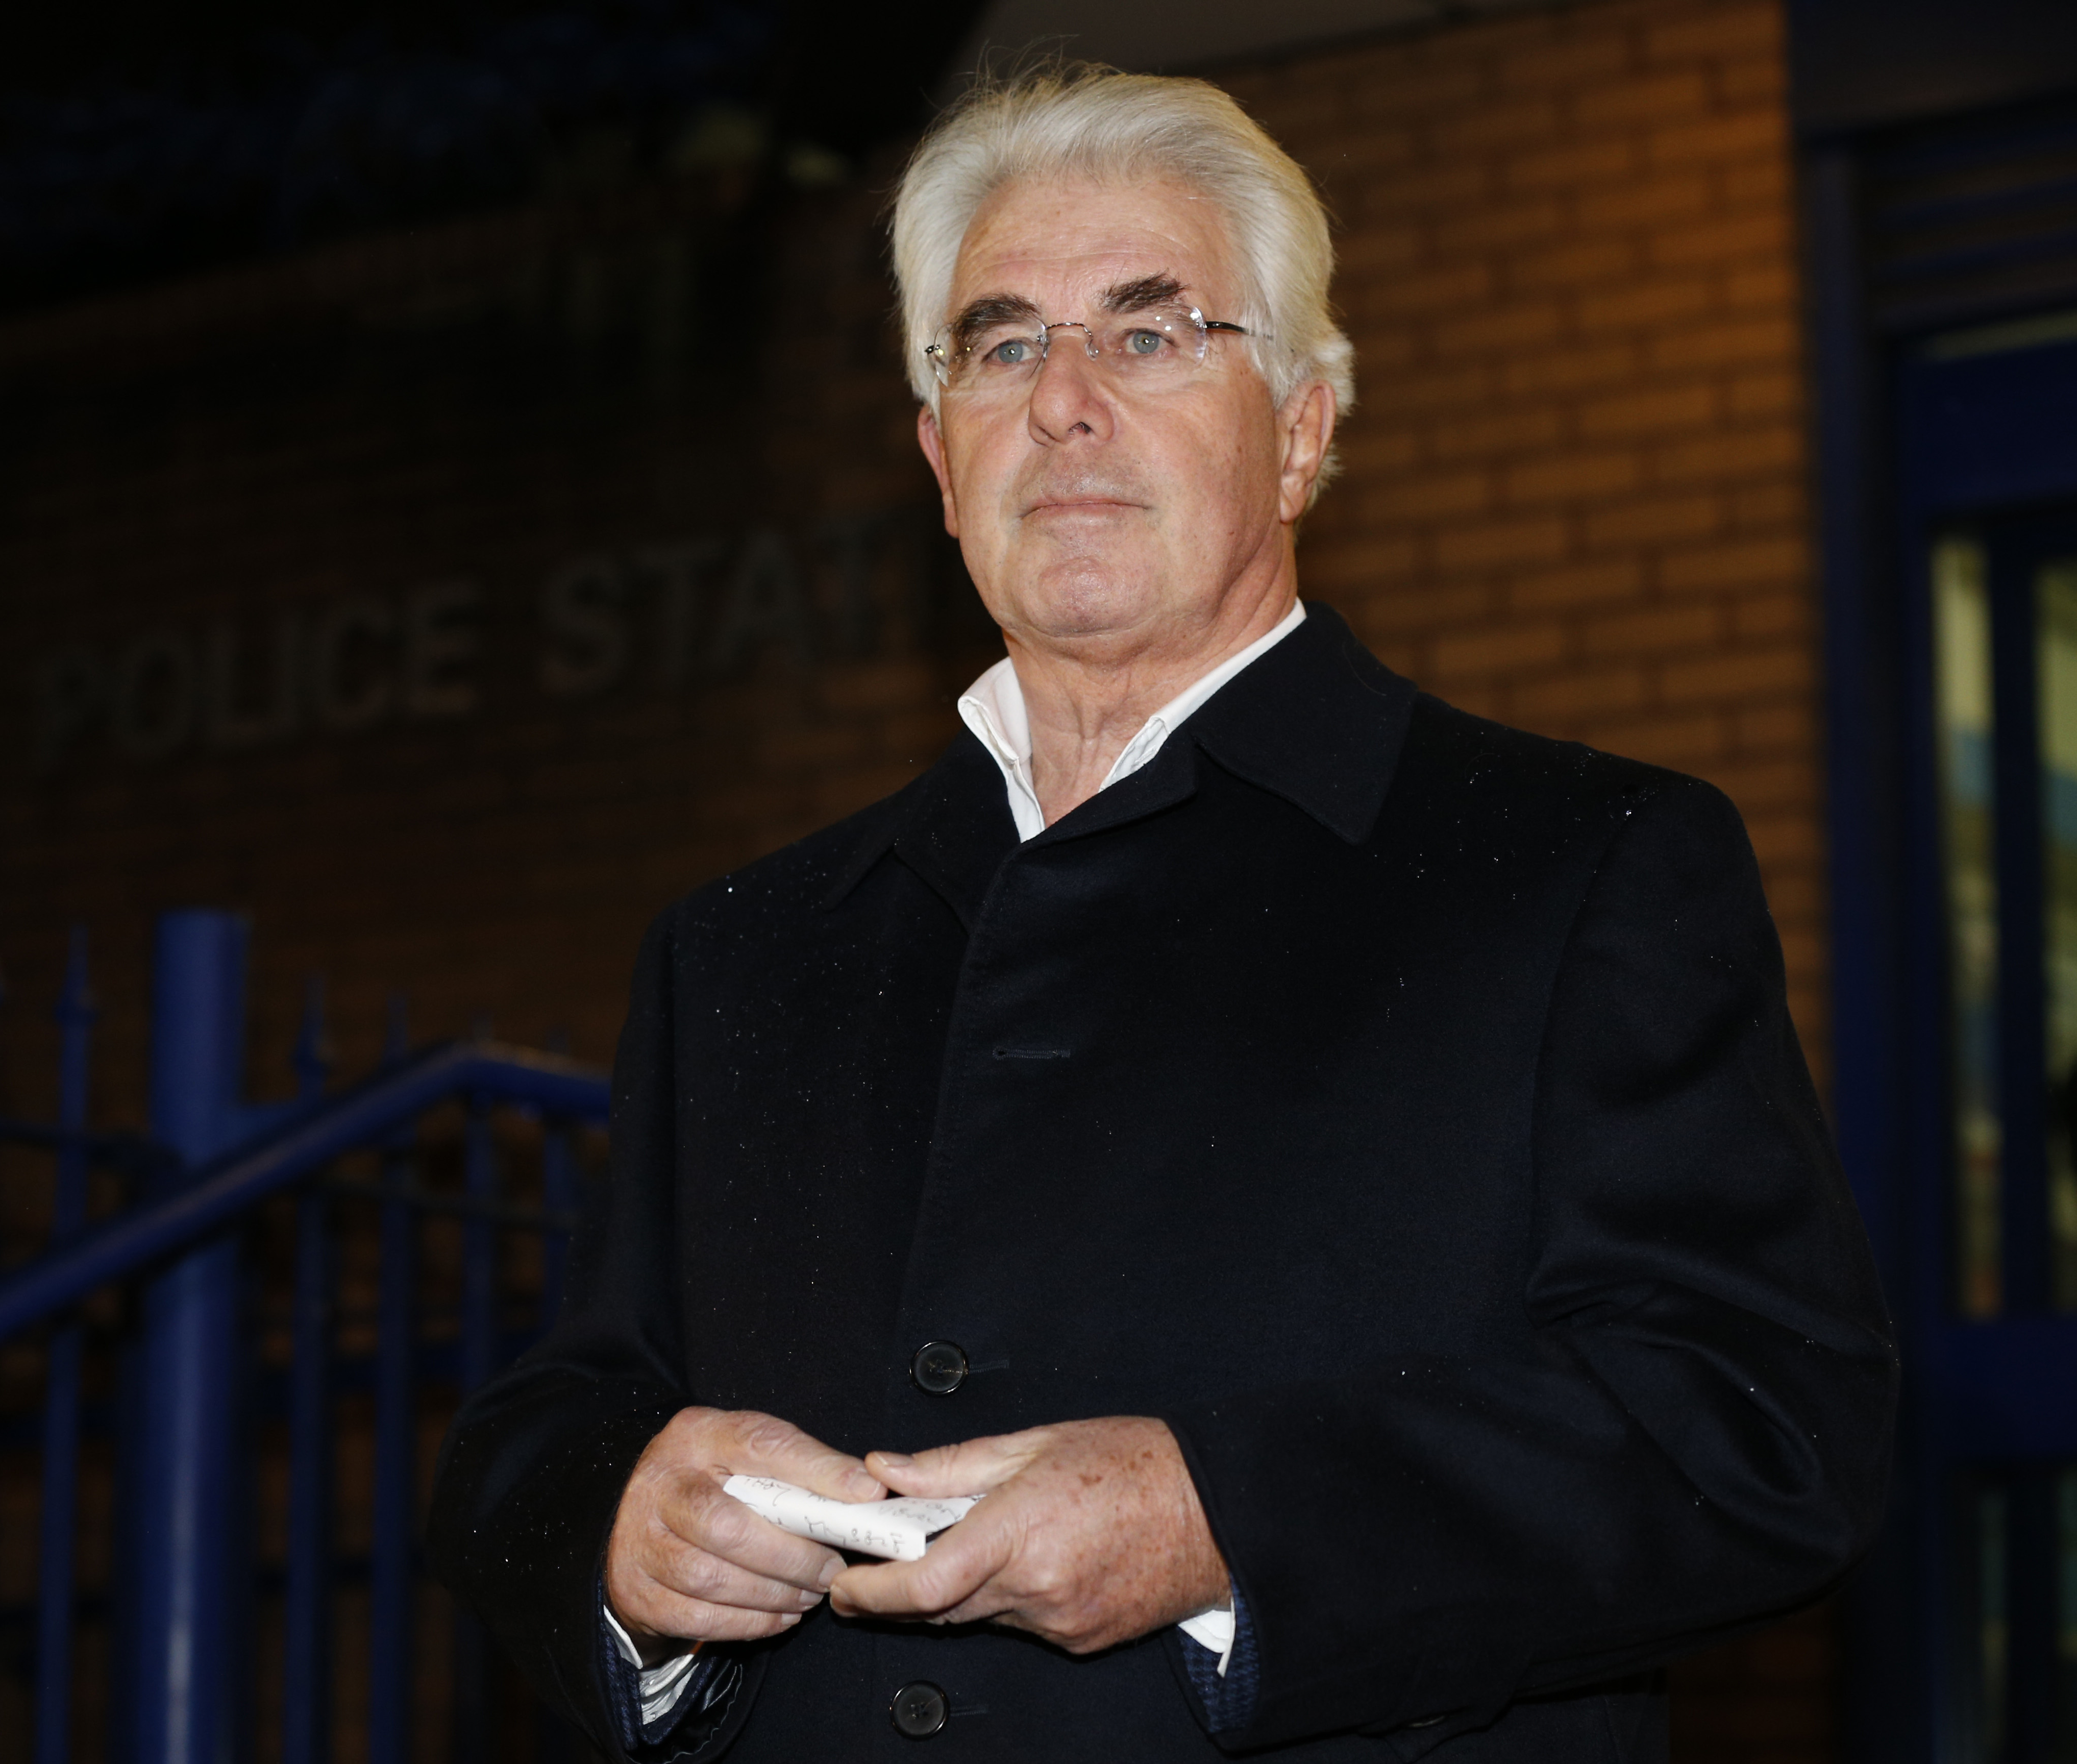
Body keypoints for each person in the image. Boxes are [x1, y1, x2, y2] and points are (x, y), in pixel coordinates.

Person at [427, 65, 1895, 1761]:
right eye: (999, 348)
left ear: (1303, 432)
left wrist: (1220, 1521)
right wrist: (624, 1526)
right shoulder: (744, 949)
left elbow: (1762, 1427)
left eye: (1150, 332)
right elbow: (553, 1419)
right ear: (940, 458)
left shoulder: (1578, 865)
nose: (1063, 402)